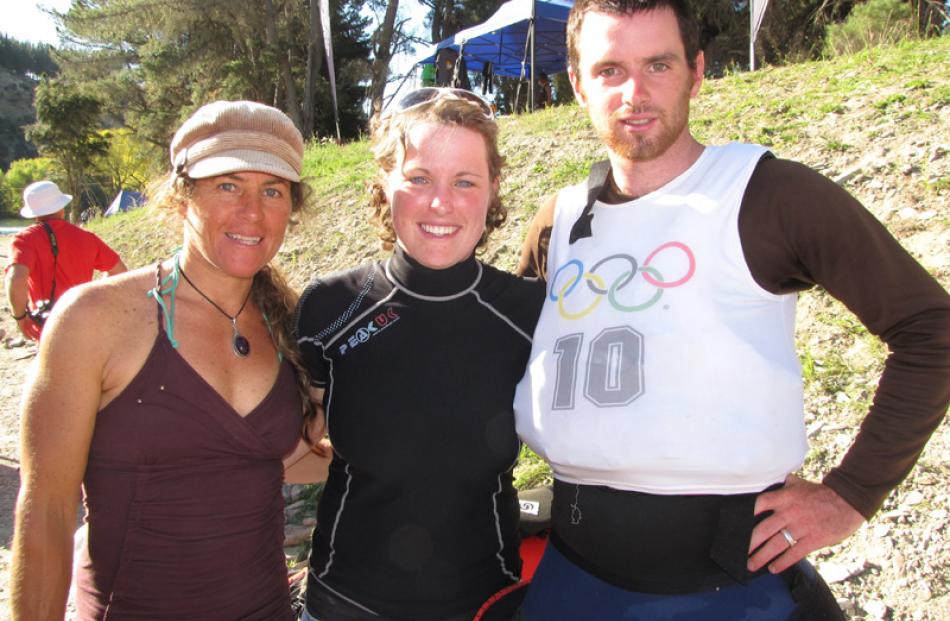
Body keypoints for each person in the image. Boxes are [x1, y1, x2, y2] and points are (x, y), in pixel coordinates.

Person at [513, 1, 950, 619]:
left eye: (657, 64)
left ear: (696, 71)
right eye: (610, 69)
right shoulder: (558, 220)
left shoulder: (768, 194)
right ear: (578, 84)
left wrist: (851, 494)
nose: (635, 92)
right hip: (572, 576)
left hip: (728, 590)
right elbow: (496, 355)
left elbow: (931, 329)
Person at [11, 100, 327, 621]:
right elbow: (46, 512)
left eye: (272, 190)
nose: (252, 211)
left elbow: (271, 457)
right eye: (228, 185)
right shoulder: (96, 320)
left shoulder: (284, 323)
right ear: (182, 196)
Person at [294, 88, 545, 621]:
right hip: (346, 602)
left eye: (465, 181)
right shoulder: (331, 306)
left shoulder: (529, 313)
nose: (441, 203)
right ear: (385, 181)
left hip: (486, 603)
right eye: (419, 178)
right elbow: (293, 446)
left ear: (493, 189)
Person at [4, 180, 127, 341]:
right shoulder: (87, 238)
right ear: (61, 208)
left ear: (33, 213)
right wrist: (93, 294)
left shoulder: (25, 239)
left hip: (48, 327)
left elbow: (16, 278)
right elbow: (120, 273)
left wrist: (20, 318)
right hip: (84, 322)